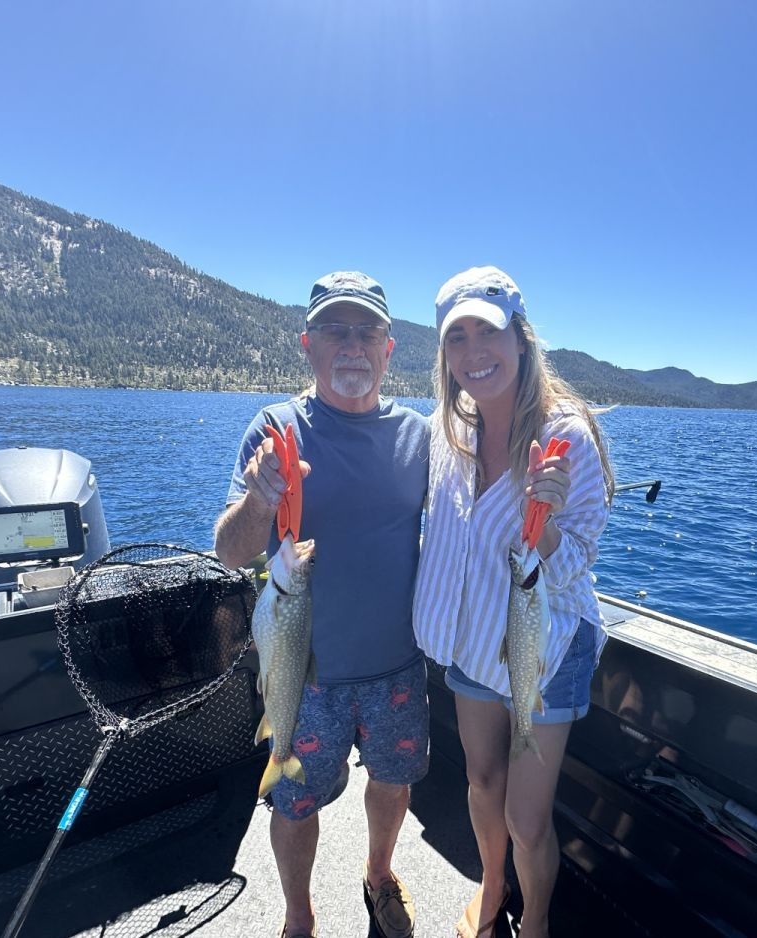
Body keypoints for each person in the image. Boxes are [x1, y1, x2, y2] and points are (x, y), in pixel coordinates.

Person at [214, 271, 430, 938]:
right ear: (308, 344)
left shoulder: (420, 437)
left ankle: (378, 875)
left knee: (393, 784)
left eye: (367, 332)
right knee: (295, 803)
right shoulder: (276, 429)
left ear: (390, 348)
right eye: (336, 330)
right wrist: (258, 499)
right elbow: (230, 552)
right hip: (306, 675)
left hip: (398, 666)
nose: (352, 345)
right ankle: (299, 915)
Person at [413, 266, 614, 938]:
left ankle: (535, 921)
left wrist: (549, 519)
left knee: (528, 821)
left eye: (489, 332)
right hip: (473, 639)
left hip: (547, 643)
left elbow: (576, 559)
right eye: (457, 336)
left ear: (521, 340)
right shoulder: (446, 433)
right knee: (480, 781)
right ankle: (491, 885)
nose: (475, 351)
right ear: (444, 353)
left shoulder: (568, 437)